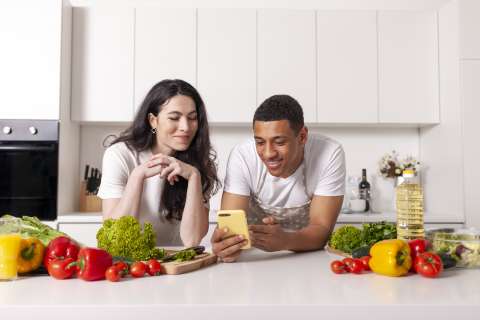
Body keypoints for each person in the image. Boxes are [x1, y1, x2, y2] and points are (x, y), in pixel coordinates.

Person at [211, 94, 346, 262]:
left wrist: (286, 240)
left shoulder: (329, 153)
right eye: (260, 142)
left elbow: (322, 229)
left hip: (305, 257)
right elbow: (230, 221)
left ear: (302, 136)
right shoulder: (243, 156)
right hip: (254, 258)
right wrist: (226, 245)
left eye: (280, 142)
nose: (268, 154)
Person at [97, 79, 220, 246]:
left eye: (192, 118)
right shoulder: (120, 155)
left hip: (174, 265)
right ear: (153, 120)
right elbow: (115, 236)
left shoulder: (198, 164)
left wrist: (193, 177)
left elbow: (192, 240)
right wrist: (137, 177)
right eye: (174, 118)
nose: (185, 127)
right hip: (130, 265)